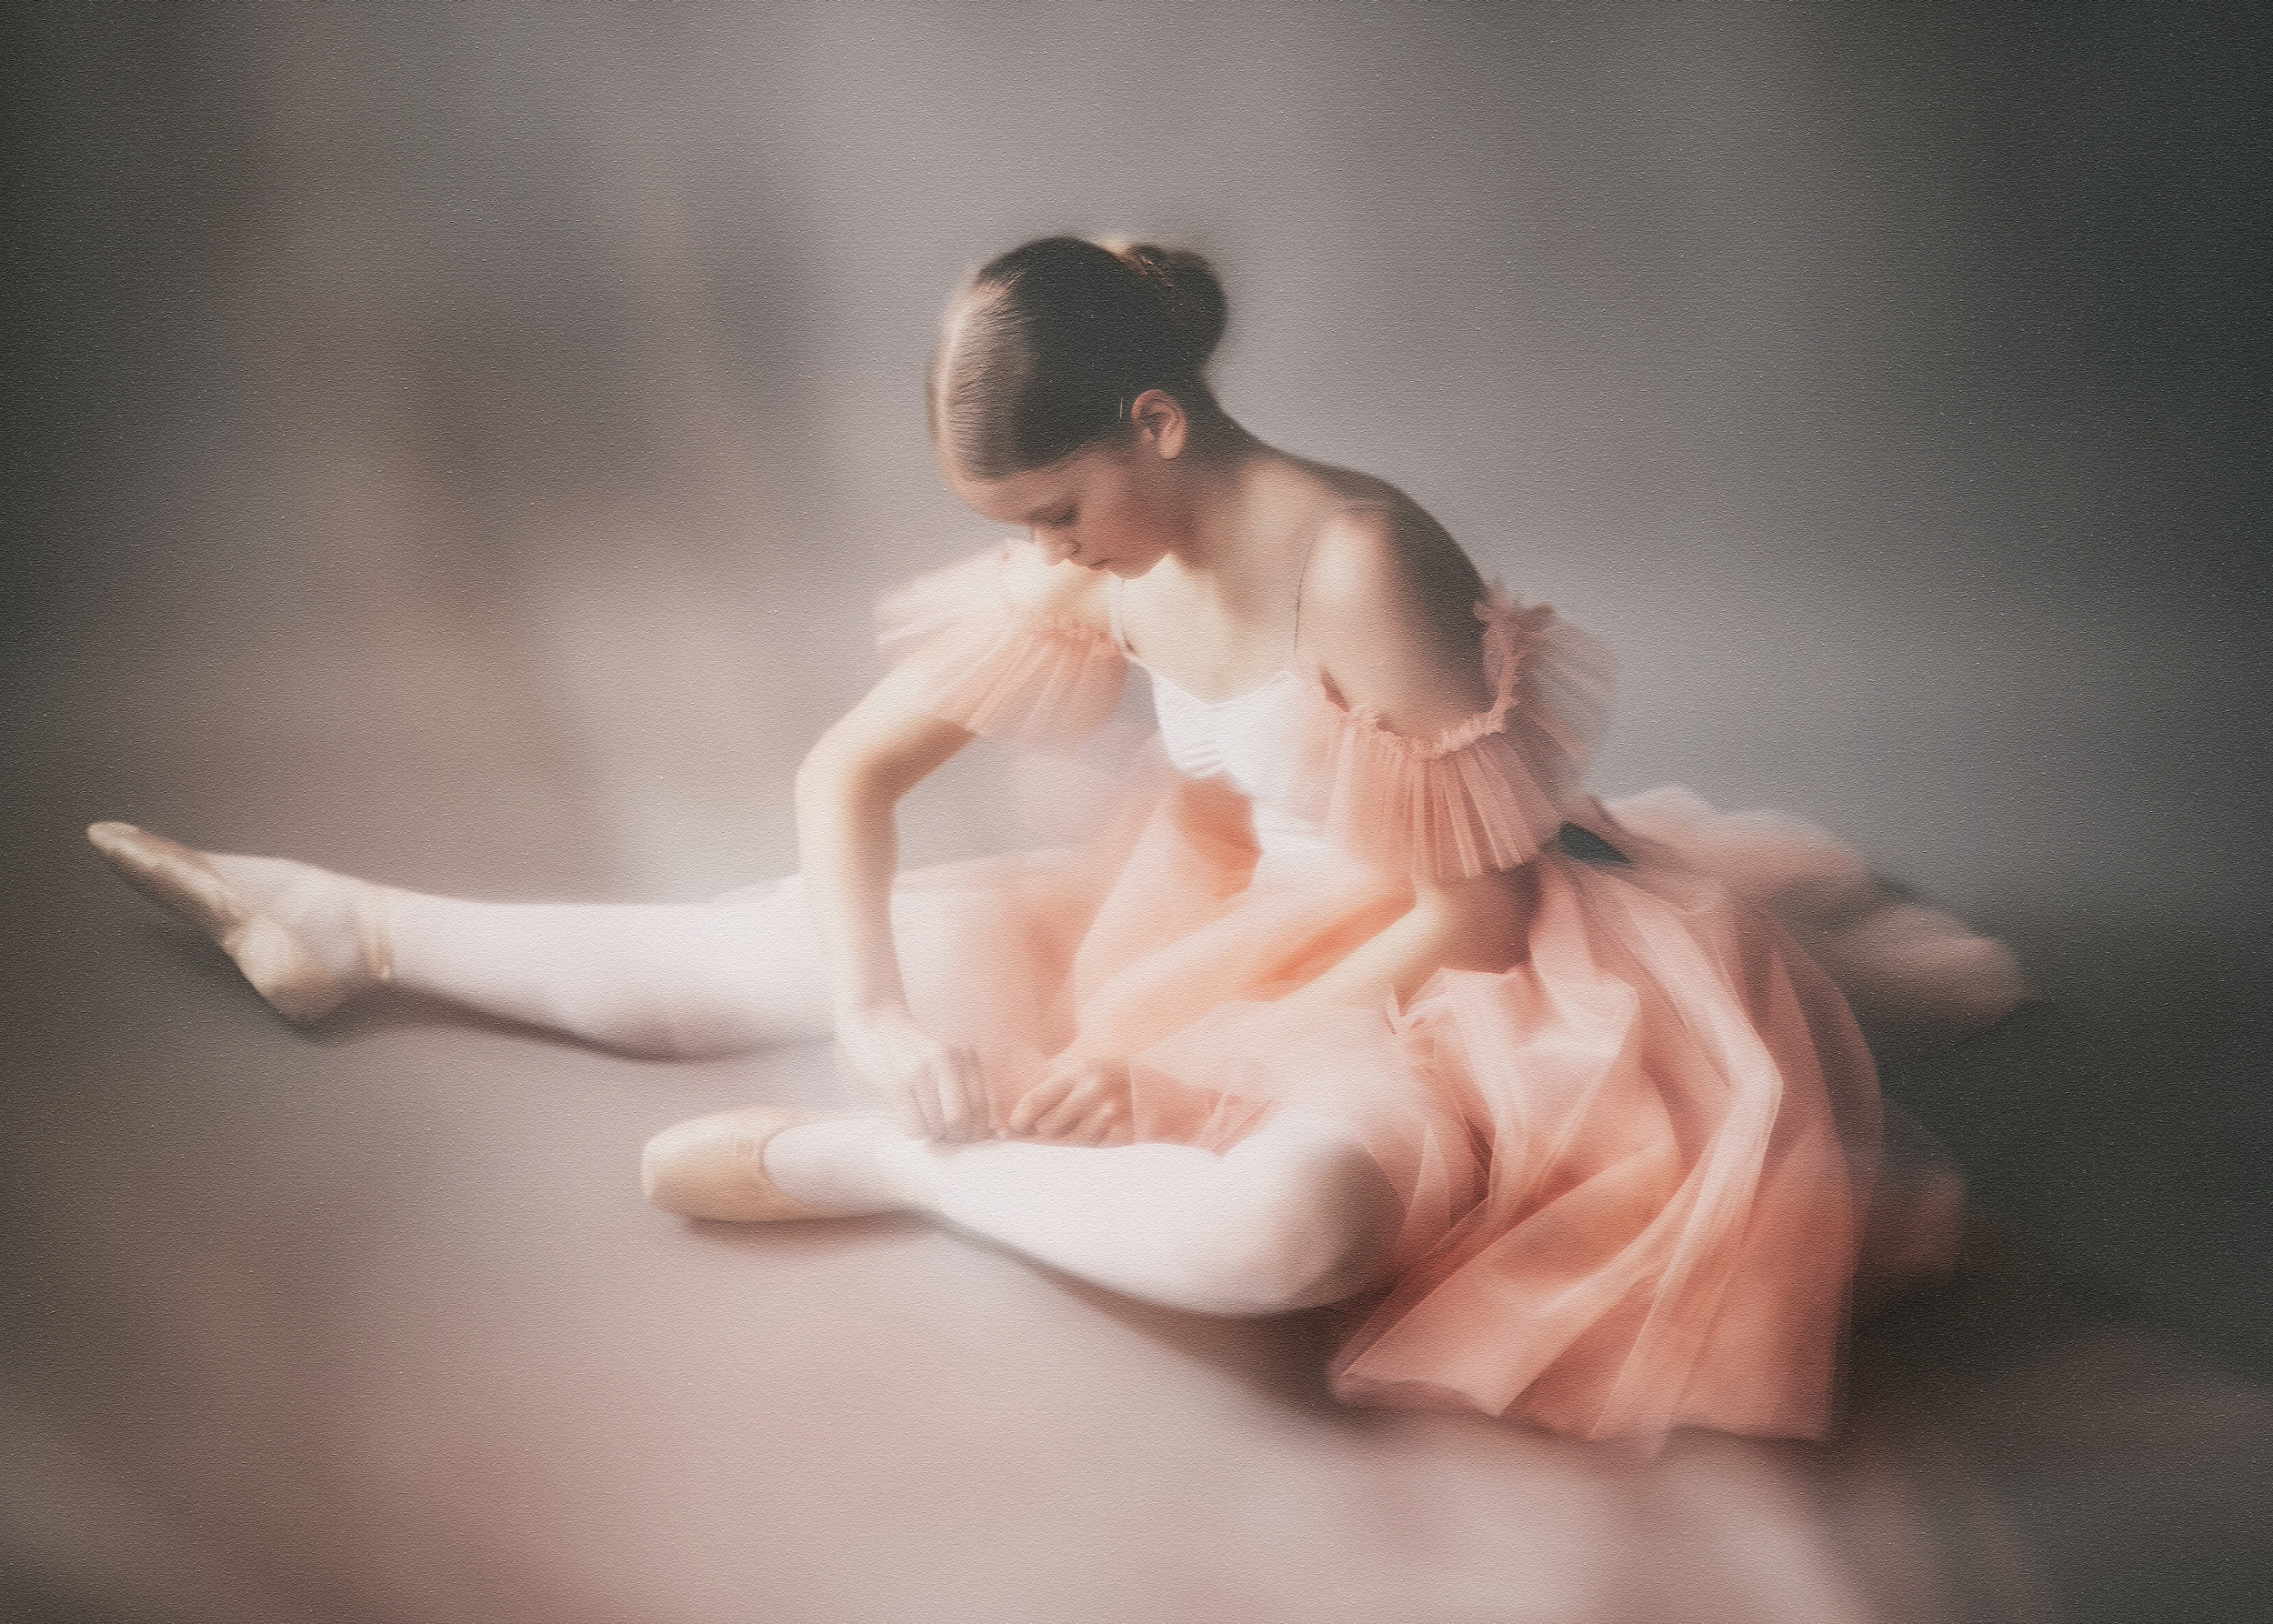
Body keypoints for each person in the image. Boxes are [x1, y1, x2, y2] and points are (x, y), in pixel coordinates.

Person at [87, 236, 2030, 1445]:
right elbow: (848, 776)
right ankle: (348, 920)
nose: (1044, 555)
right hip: (1230, 905)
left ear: (1158, 423)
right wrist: (874, 1012)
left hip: (1453, 977)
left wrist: (1175, 1044)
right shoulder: (1105, 558)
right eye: (1017, 524)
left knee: (1290, 1227)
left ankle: (896, 1174)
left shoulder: (1364, 559)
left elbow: (1479, 903)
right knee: (784, 935)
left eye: (1053, 509)